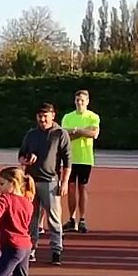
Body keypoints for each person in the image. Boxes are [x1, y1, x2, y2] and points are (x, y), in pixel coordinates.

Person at [18, 102, 72, 264]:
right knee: (31, 218)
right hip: (31, 182)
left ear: (53, 115)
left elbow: (67, 161)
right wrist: (27, 160)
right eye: (40, 116)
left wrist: (64, 182)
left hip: (51, 182)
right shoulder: (31, 134)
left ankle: (56, 250)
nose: (42, 119)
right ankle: (31, 249)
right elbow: (21, 156)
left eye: (45, 116)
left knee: (54, 218)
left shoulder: (60, 134)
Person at [61, 89, 101, 233]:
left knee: (82, 188)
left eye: (82, 100)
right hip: (70, 158)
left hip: (85, 158)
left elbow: (94, 134)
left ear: (87, 102)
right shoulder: (68, 117)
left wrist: (75, 131)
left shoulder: (93, 117)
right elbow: (65, 136)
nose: (79, 103)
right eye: (77, 100)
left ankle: (82, 219)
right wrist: (82, 131)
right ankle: (71, 219)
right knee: (70, 188)